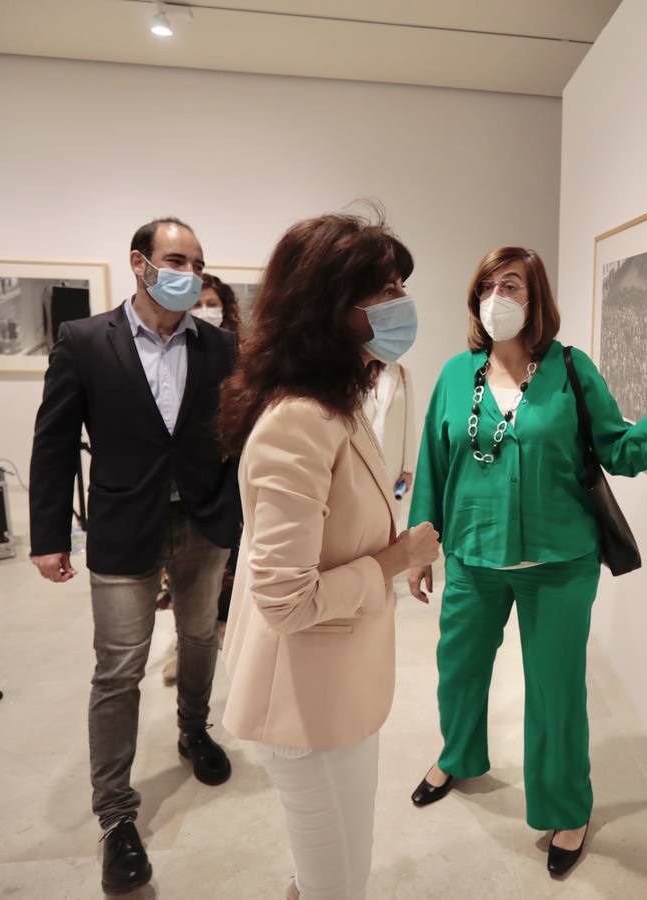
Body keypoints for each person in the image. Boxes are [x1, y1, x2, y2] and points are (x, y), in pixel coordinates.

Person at [405, 246, 647, 878]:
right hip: (472, 554)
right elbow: (433, 467)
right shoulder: (453, 376)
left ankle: (567, 809)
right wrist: (420, 547)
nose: (498, 296)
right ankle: (458, 754)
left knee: (556, 693)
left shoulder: (572, 370)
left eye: (511, 284)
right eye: (487, 283)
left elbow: (617, 450)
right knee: (458, 669)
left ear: (535, 297)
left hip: (558, 562)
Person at [220, 214, 441, 900]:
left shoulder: (340, 405)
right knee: (335, 884)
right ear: (330, 310)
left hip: (338, 685)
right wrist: (395, 558)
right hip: (302, 704)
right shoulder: (298, 422)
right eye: (385, 290)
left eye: (401, 285)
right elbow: (285, 601)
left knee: (338, 871)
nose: (402, 305)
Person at [28, 217, 240, 894]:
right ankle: (117, 816)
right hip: (124, 523)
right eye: (177, 258)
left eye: (199, 262)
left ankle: (194, 729)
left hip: (205, 523)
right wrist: (48, 535)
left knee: (201, 636)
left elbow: (237, 437)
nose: (191, 272)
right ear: (139, 263)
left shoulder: (221, 347)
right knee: (118, 669)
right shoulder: (85, 341)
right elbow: (54, 441)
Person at [162, 271, 246, 686]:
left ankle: (220, 634)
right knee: (187, 580)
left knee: (227, 569)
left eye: (212, 303)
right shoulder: (174, 352)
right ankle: (188, 645)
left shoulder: (237, 353)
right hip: (181, 487)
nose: (205, 311)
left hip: (226, 481)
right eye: (198, 305)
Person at [362, 360, 418, 530]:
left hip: (390, 464)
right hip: (362, 459)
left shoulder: (402, 373)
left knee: (386, 524)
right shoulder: (357, 370)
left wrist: (408, 468)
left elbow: (409, 422)